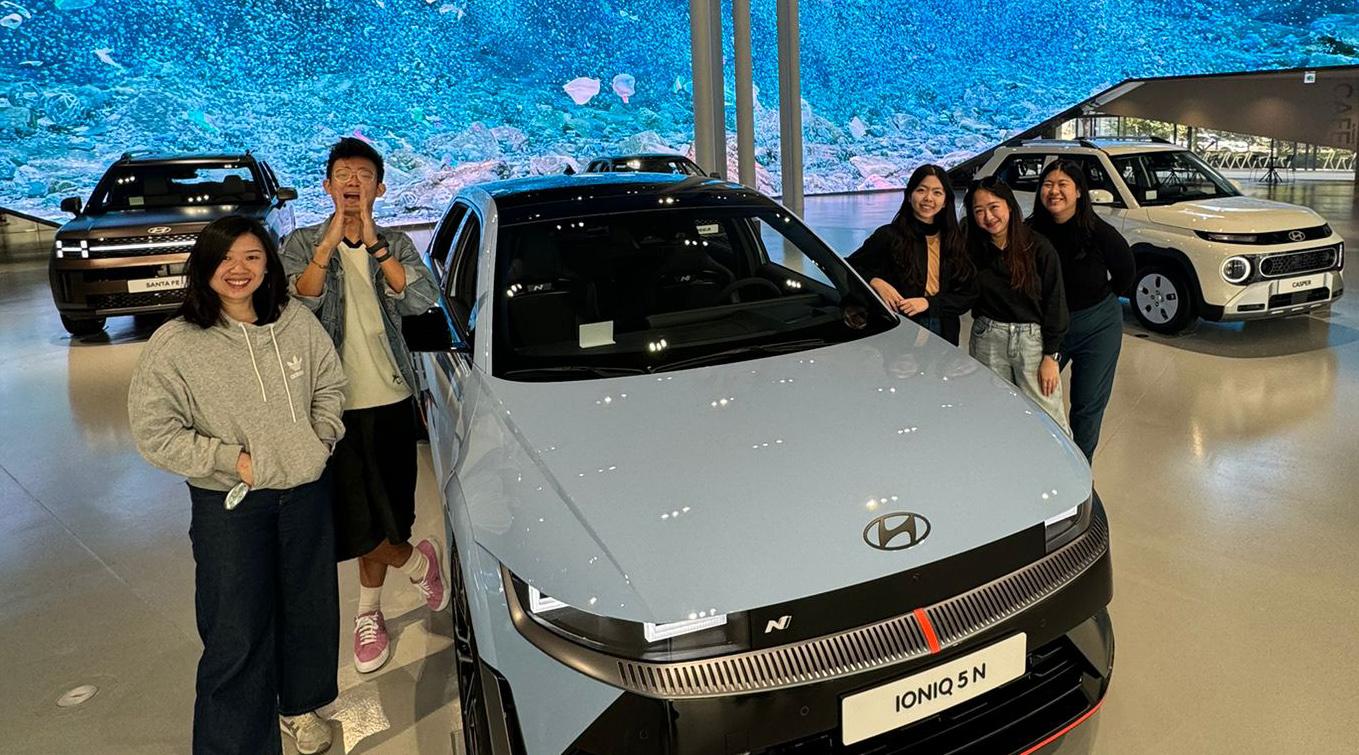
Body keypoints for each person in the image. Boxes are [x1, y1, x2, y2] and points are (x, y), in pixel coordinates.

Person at [128, 216, 345, 755]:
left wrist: (320, 440)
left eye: (251, 256)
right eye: (225, 258)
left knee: (308, 611)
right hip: (231, 505)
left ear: (268, 263)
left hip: (304, 494)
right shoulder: (175, 343)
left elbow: (331, 385)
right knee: (236, 633)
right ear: (203, 267)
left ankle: (298, 706)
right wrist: (233, 461)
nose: (238, 269)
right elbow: (155, 433)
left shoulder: (293, 320)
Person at [280, 137, 445, 675]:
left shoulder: (395, 242)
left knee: (389, 513)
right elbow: (298, 303)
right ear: (327, 186)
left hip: (392, 398)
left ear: (380, 186)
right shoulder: (302, 243)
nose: (353, 181)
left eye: (364, 174)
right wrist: (330, 247)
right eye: (343, 173)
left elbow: (420, 299)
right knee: (353, 520)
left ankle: (369, 612)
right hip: (331, 408)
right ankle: (417, 564)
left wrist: (374, 246)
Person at [1029, 159, 1135, 461]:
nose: (1054, 191)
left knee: (1088, 404)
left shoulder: (1100, 232)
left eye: (1063, 185)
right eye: (1048, 185)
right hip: (1048, 327)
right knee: (1038, 397)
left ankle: (1080, 466)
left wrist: (1099, 300)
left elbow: (1126, 273)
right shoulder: (1030, 232)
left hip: (1096, 325)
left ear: (1078, 192)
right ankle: (1041, 462)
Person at [963, 177, 1071, 433]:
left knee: (1049, 420)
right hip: (988, 337)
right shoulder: (972, 249)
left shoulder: (1038, 247)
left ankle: (1062, 472)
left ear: (1009, 205)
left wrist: (1051, 356)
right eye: (979, 211)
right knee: (991, 413)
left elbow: (1056, 303)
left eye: (994, 206)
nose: (988, 216)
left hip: (1032, 342)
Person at [846, 164, 975, 345]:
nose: (928, 198)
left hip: (943, 325)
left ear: (946, 200)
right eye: (921, 190)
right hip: (901, 324)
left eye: (937, 192)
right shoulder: (888, 236)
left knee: (937, 372)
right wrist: (874, 282)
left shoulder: (955, 240)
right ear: (909, 195)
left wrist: (929, 303)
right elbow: (849, 268)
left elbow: (968, 294)